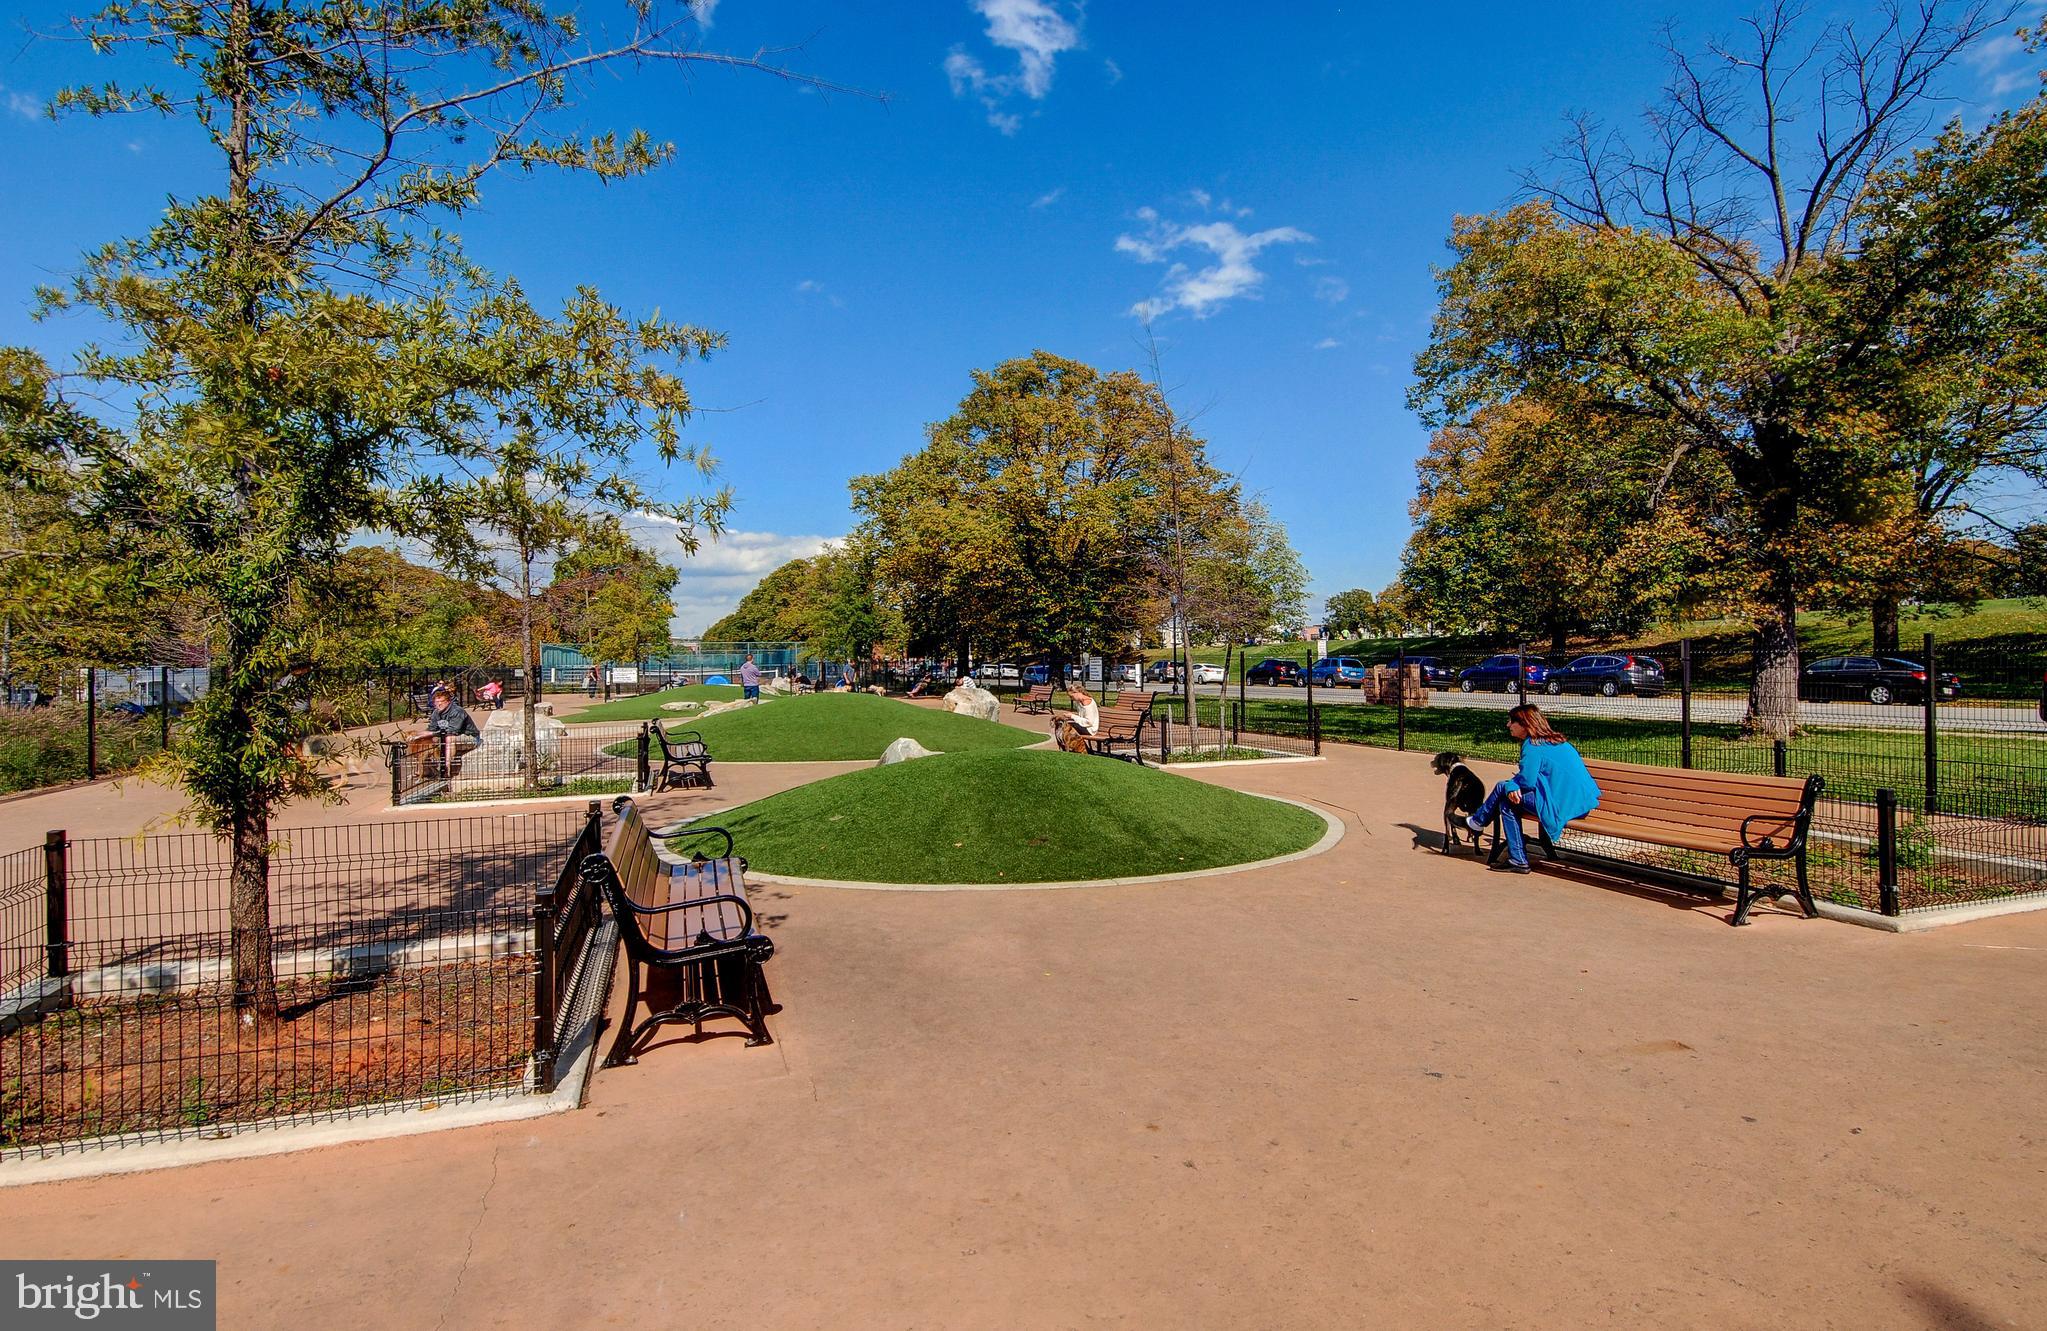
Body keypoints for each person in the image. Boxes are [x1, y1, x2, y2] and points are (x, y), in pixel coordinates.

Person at [1465, 703, 1600, 873]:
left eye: (1512, 721)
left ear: (1525, 724)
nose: (1508, 725)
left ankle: (1478, 823)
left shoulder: (1533, 744)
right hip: (1579, 805)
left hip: (1561, 806)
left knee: (1503, 789)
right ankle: (1506, 849)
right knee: (1507, 800)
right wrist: (1513, 786)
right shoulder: (1556, 741)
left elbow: (1527, 781)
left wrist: (1511, 785)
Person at [424, 686, 481, 776]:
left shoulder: (457, 711)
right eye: (436, 702)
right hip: (446, 736)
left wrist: (434, 734)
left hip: (470, 737)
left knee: (450, 738)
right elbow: (431, 728)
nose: (438, 704)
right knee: (425, 740)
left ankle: (446, 768)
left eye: (441, 702)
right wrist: (417, 735)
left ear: (448, 702)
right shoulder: (435, 712)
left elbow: (453, 731)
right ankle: (426, 770)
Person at [1051, 686, 1100, 753]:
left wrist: (1072, 716)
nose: (1071, 699)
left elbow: (1089, 722)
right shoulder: (1079, 702)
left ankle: (1068, 747)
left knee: (1067, 726)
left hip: (1090, 729)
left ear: (1077, 693)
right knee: (1063, 724)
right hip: (1084, 726)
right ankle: (1064, 744)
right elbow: (1081, 718)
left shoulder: (1087, 703)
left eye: (1072, 696)